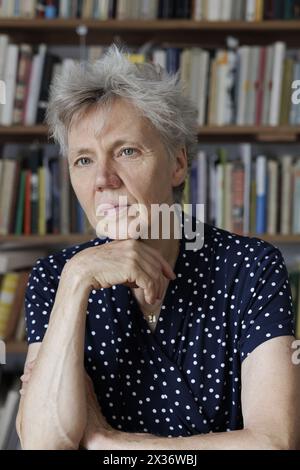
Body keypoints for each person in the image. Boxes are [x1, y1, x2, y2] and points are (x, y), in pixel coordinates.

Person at [16, 44, 300, 450]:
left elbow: (274, 442)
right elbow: (44, 443)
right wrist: (78, 279)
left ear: (178, 164)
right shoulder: (56, 277)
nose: (103, 179)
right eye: (83, 160)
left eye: (127, 151)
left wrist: (108, 444)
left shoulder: (250, 267)